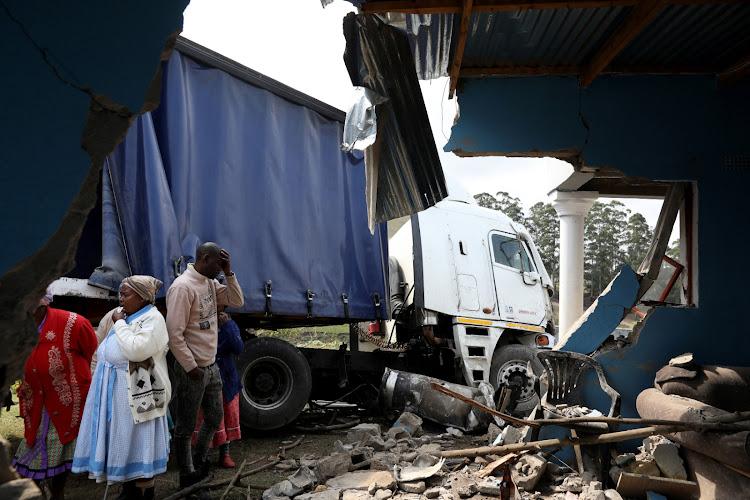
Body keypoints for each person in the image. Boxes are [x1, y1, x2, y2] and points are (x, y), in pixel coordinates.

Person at [72, 276, 171, 500]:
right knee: (124, 445)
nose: (120, 298)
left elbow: (137, 350)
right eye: (120, 293)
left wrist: (119, 324)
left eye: (126, 294)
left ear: (144, 296)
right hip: (117, 393)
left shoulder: (153, 319)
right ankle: (127, 492)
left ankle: (142, 495)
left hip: (138, 396)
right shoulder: (127, 315)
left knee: (138, 446)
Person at [166, 242, 244, 490]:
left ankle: (199, 462)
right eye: (219, 265)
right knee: (187, 424)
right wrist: (191, 367)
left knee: (213, 417)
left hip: (211, 368)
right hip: (193, 369)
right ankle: (186, 473)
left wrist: (229, 274)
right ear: (206, 258)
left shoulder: (210, 282)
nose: (221, 270)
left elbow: (237, 300)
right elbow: (174, 334)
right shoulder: (182, 287)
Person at [13, 288, 98, 500]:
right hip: (35, 401)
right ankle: (41, 493)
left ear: (42, 303)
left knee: (61, 449)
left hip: (66, 400)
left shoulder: (73, 323)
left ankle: (56, 494)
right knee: (33, 447)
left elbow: (90, 351)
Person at [190, 304, 244, 468]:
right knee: (205, 417)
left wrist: (226, 324)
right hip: (206, 377)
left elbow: (238, 347)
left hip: (227, 378)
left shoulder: (230, 324)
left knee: (227, 415)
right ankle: (201, 456)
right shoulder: (200, 322)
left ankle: (225, 454)